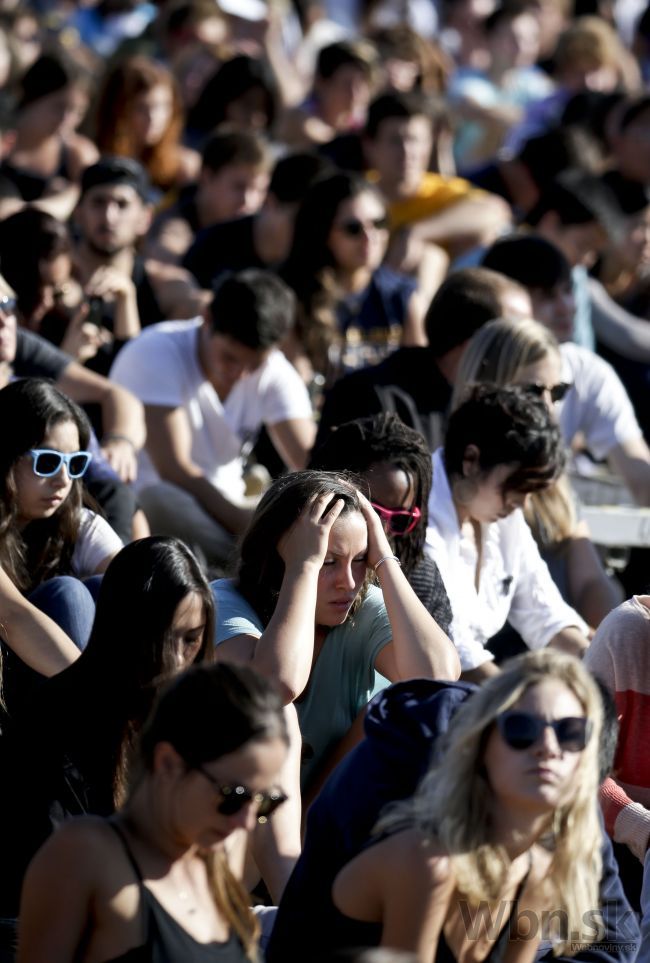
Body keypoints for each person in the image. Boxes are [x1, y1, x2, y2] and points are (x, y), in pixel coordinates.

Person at [328, 649, 604, 960]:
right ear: (481, 746)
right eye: (521, 729)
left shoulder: (539, 875)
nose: (549, 748)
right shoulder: (426, 861)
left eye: (570, 733)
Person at [0, 535, 215, 924]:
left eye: (191, 639)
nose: (178, 658)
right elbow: (52, 881)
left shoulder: (187, 716)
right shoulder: (57, 721)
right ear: (128, 631)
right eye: (164, 639)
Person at [16, 661, 289, 963]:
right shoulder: (86, 853)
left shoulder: (215, 866)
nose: (246, 823)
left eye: (265, 802)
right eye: (233, 797)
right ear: (168, 763)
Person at [212, 470, 460, 793]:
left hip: (325, 812)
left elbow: (436, 677)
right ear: (278, 557)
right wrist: (304, 566)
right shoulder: (225, 600)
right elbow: (276, 684)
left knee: (395, 709)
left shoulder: (361, 606)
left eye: (359, 560)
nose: (350, 582)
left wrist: (384, 557)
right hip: (237, 808)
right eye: (329, 561)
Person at [110, 269, 315, 568]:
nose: (240, 374)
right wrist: (252, 528)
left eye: (253, 365)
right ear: (207, 319)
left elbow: (310, 461)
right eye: (230, 358)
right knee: (161, 499)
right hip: (162, 510)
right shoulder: (154, 352)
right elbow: (176, 470)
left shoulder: (276, 371)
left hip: (232, 508)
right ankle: (254, 566)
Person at [454, 316, 623, 629]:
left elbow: (589, 581)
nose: (548, 408)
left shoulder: (555, 484)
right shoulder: (462, 476)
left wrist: (614, 638)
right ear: (488, 388)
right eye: (532, 392)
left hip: (558, 650)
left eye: (556, 393)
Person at [426, 384, 590, 682]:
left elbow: (545, 612)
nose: (522, 504)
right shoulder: (420, 515)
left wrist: (601, 668)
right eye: (515, 487)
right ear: (471, 460)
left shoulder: (503, 514)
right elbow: (452, 648)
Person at [482, 234, 650, 506]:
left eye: (567, 290)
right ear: (505, 302)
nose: (566, 307)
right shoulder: (476, 369)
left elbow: (642, 481)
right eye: (546, 296)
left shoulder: (585, 369)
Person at [316, 267, 532, 451]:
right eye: (512, 339)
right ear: (474, 343)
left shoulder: (495, 407)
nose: (527, 350)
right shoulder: (368, 400)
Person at [0, 378, 122, 649]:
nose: (63, 479)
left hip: (62, 679)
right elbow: (14, 617)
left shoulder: (79, 524)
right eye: (47, 461)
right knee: (67, 594)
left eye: (75, 463)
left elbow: (146, 593)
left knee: (114, 588)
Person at [309, 413, 452, 632]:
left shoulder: (419, 577)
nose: (382, 530)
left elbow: (441, 666)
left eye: (401, 520)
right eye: (370, 511)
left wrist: (386, 567)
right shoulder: (289, 558)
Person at [281, 172, 425, 384]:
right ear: (323, 232)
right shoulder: (294, 299)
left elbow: (420, 381)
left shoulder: (402, 296)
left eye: (379, 223)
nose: (370, 237)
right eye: (353, 229)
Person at [147, 128, 271, 265]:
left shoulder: (262, 232)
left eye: (259, 190)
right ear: (207, 177)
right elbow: (166, 258)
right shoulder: (172, 223)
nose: (248, 200)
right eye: (239, 187)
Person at [0, 52, 98, 211]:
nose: (67, 119)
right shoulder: (3, 137)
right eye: (59, 107)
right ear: (32, 97)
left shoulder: (77, 156)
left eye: (78, 112)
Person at [93, 55, 201, 197]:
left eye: (163, 106)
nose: (153, 118)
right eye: (141, 108)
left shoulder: (183, 167)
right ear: (118, 109)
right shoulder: (92, 157)